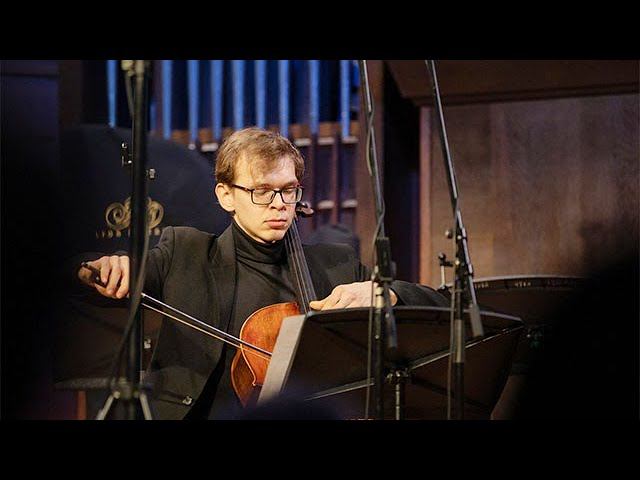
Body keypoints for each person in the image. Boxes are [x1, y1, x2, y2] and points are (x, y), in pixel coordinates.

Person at [75, 127, 448, 419]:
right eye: (262, 191)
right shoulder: (185, 253)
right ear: (226, 195)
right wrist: (102, 267)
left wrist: (387, 293)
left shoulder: (334, 265)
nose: (279, 204)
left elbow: (441, 306)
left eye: (288, 190)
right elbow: (80, 278)